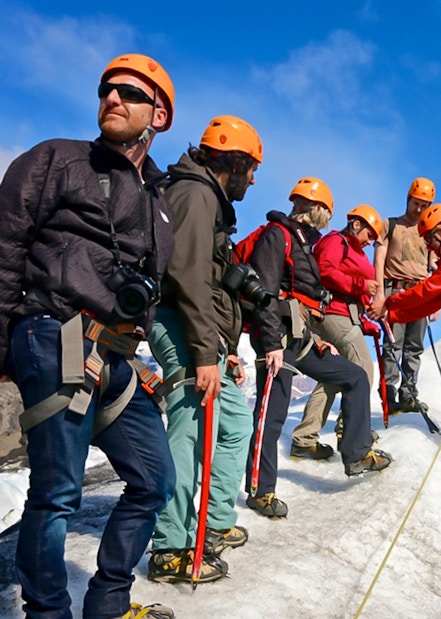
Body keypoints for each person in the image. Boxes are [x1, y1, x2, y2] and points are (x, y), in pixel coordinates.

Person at [0, 53, 178, 619]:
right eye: (107, 90)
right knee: (58, 494)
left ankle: (107, 604)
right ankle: (47, 613)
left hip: (116, 353)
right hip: (56, 332)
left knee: (154, 480)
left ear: (160, 115)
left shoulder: (160, 203)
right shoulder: (56, 159)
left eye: (129, 92)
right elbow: (5, 245)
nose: (112, 99)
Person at [146, 115, 262, 583]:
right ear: (232, 163)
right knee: (192, 426)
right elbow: (188, 275)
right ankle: (170, 546)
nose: (253, 179)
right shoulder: (195, 195)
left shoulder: (205, 197)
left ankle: (209, 524)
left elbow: (207, 286)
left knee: (234, 421)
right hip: (177, 323)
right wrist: (204, 353)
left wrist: (221, 346)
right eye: (250, 168)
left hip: (198, 331)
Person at [244, 178, 393, 519]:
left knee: (355, 376)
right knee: (271, 416)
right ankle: (261, 491)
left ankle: (356, 454)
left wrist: (315, 335)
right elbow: (265, 292)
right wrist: (270, 345)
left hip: (302, 337)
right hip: (279, 340)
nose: (328, 219)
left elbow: (302, 296)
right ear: (316, 209)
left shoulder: (302, 244)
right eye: (327, 211)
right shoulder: (276, 235)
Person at [368, 203, 441, 468]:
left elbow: (428, 291)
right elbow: (433, 301)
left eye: (429, 238)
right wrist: (395, 315)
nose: (429, 246)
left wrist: (390, 305)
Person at [291, 205, 383, 460]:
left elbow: (352, 290)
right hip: (332, 314)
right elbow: (325, 270)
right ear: (356, 224)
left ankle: (304, 438)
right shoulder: (335, 241)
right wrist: (361, 284)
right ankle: (352, 432)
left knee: (335, 375)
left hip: (343, 315)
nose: (370, 241)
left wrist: (364, 319)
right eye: (369, 234)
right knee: (363, 368)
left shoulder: (356, 251)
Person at [373, 177, 437, 415]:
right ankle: (388, 392)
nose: (419, 209)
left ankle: (409, 394)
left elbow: (433, 264)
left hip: (421, 292)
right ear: (408, 199)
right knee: (392, 343)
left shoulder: (429, 231)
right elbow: (379, 260)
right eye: (416, 203)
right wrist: (379, 293)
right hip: (395, 290)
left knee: (414, 346)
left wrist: (435, 303)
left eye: (424, 205)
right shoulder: (390, 225)